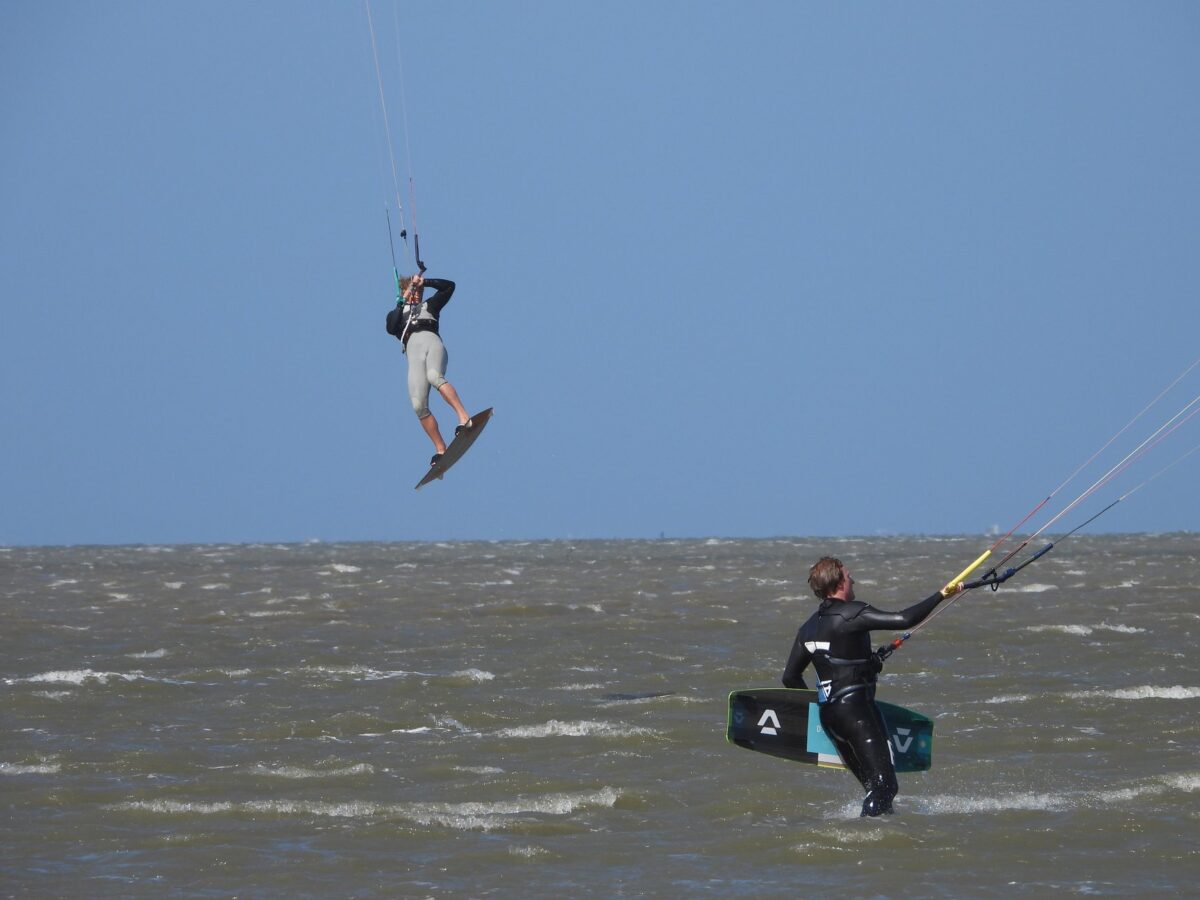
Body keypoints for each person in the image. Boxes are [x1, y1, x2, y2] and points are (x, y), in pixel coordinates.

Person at [781, 556, 963, 817]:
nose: (852, 579)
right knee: (885, 787)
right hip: (856, 713)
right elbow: (903, 619)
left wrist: (862, 668)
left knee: (873, 788)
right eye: (848, 575)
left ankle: (880, 833)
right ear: (839, 582)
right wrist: (941, 595)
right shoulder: (851, 612)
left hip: (830, 717)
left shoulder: (808, 628)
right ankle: (866, 838)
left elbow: (790, 678)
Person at [385, 272, 472, 465]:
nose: (418, 294)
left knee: (434, 376)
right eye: (414, 290)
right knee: (418, 406)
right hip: (413, 354)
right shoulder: (396, 316)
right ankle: (441, 449)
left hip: (432, 344)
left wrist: (425, 281)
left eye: (420, 291)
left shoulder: (430, 306)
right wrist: (404, 298)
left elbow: (449, 286)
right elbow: (391, 327)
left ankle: (464, 418)